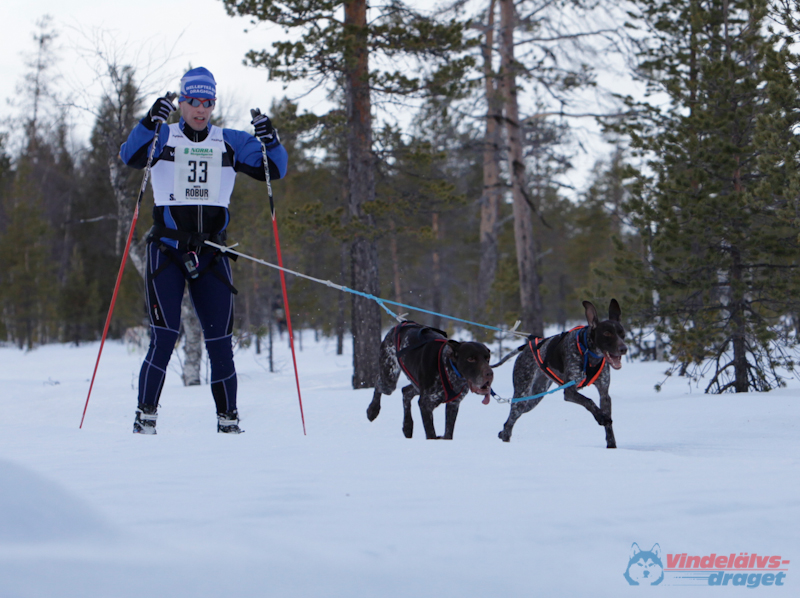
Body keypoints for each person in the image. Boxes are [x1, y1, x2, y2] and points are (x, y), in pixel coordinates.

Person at [119, 67, 288, 434]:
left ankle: (228, 422)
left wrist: (271, 139)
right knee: (164, 335)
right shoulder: (164, 135)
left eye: (207, 101)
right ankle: (145, 417)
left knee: (220, 342)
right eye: (193, 101)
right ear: (181, 102)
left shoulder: (230, 141)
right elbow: (129, 156)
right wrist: (149, 121)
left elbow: (275, 169)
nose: (200, 108)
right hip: (167, 249)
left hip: (211, 252)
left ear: (213, 103)